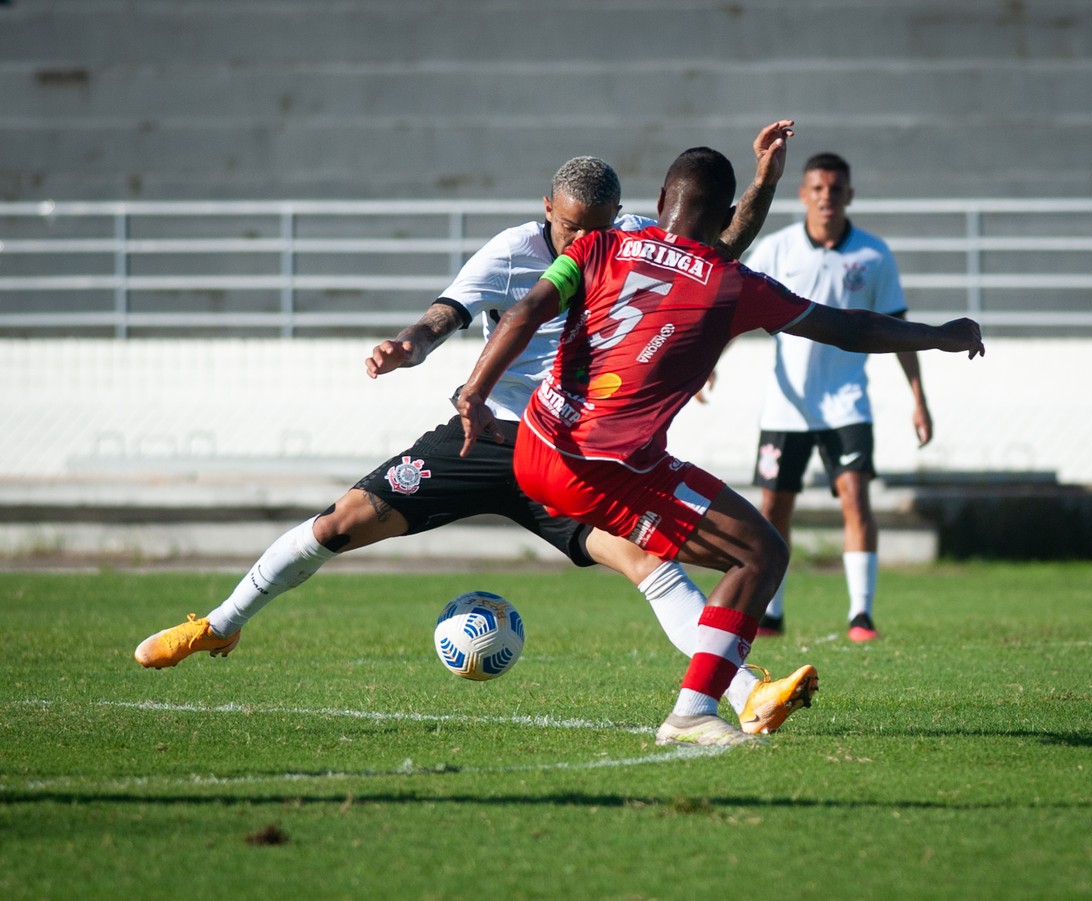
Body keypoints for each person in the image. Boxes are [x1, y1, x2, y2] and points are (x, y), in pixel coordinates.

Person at [134, 121, 820, 738]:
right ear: (547, 209)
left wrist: (762, 182)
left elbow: (719, 246)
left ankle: (742, 692)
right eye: (573, 227)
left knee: (650, 564)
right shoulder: (512, 251)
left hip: (571, 453)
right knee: (339, 523)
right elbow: (445, 315)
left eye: (600, 224)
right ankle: (219, 625)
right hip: (486, 435)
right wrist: (408, 345)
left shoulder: (631, 239)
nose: (586, 241)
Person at [455, 147, 983, 747]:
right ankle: (692, 712)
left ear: (657, 203)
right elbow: (848, 328)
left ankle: (727, 698)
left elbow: (522, 312)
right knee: (761, 554)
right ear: (729, 213)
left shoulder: (596, 246)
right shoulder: (733, 284)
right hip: (605, 465)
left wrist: (474, 392)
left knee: (680, 559)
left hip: (535, 447)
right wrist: (937, 335)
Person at [743, 152, 927, 642]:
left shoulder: (872, 255)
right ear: (803, 194)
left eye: (836, 188)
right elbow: (730, 308)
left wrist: (918, 397)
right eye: (818, 188)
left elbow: (898, 330)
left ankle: (860, 616)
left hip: (846, 402)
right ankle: (772, 614)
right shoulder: (776, 250)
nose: (827, 196)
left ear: (849, 194)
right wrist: (706, 365)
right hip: (787, 404)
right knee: (773, 506)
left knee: (855, 496)